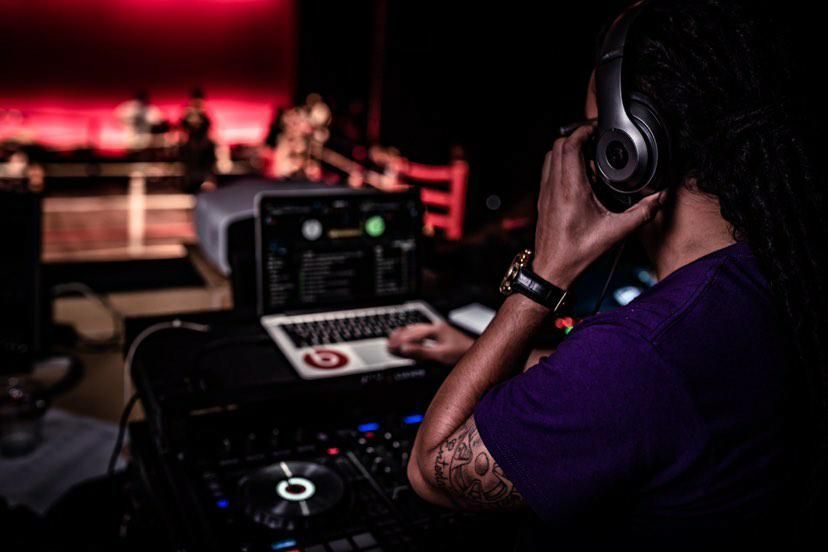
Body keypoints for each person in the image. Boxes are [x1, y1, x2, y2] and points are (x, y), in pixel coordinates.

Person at [391, 0, 826, 546]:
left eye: (595, 134)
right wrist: (475, 352)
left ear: (633, 151)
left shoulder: (642, 351)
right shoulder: (770, 274)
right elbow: (626, 390)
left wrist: (545, 272)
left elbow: (431, 469)